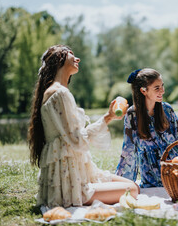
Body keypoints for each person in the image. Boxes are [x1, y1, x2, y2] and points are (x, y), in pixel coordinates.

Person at [28, 45, 139, 208]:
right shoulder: (60, 93)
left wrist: (108, 117)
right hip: (70, 183)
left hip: (73, 173)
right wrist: (104, 122)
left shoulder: (54, 91)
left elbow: (71, 137)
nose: (77, 58)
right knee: (133, 190)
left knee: (131, 185)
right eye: (71, 54)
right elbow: (77, 140)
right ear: (59, 58)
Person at [115, 68, 178, 188]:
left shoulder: (167, 109)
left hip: (177, 171)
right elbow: (128, 152)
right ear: (143, 91)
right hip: (152, 178)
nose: (162, 91)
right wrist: (119, 183)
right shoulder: (132, 115)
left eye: (162, 86)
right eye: (157, 88)